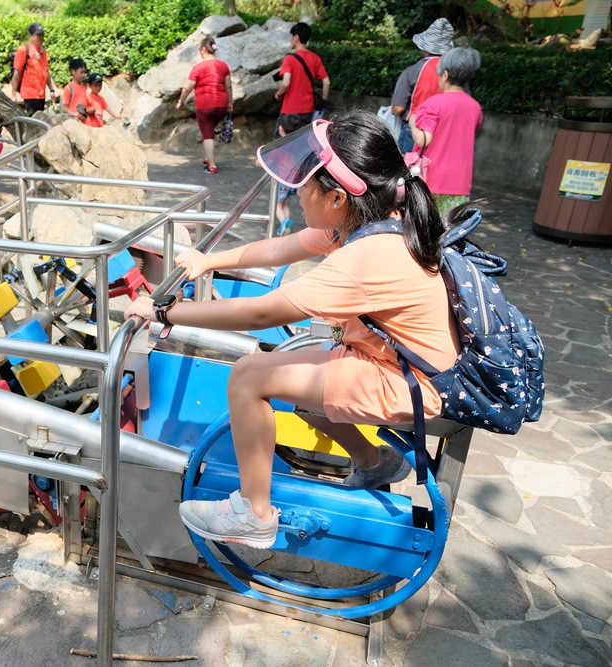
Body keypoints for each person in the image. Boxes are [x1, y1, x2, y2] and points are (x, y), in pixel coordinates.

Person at [124, 111, 460, 548]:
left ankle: (254, 514)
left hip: (412, 382)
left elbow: (264, 313)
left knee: (250, 376)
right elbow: (281, 248)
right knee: (289, 379)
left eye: (305, 183)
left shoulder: (367, 255)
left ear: (338, 197)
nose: (295, 191)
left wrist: (166, 313)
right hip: (398, 363)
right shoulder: (369, 221)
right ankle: (372, 462)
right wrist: (209, 261)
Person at [410, 48, 483, 218]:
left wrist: (413, 123)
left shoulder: (434, 104)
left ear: (444, 75)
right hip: (460, 184)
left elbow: (423, 139)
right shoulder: (475, 107)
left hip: (430, 180)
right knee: (449, 231)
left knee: (423, 231)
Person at [273, 22, 329, 234]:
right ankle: (302, 181)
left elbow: (286, 81)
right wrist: (321, 102)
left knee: (283, 144)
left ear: (295, 37)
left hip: (290, 111)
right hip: (308, 112)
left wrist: (279, 93)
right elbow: (326, 81)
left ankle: (283, 187)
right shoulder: (315, 58)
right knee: (304, 150)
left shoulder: (290, 58)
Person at [390, 18, 454, 154]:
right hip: (446, 133)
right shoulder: (456, 74)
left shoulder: (412, 71)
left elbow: (398, 108)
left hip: (414, 131)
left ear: (424, 48)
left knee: (410, 172)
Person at [177, 36, 232, 175]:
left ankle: (211, 166)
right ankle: (208, 158)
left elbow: (187, 88)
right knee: (210, 130)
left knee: (207, 134)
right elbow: (229, 86)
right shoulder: (223, 66)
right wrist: (230, 103)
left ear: (203, 49)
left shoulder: (198, 67)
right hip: (221, 104)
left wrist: (180, 101)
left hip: (205, 104)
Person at [10, 22, 58, 114]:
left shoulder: (43, 51)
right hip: (30, 94)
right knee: (34, 122)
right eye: (38, 35)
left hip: (41, 94)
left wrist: (51, 90)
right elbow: (17, 73)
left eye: (42, 34)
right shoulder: (24, 50)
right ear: (30, 35)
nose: (41, 37)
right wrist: (13, 94)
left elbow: (46, 72)